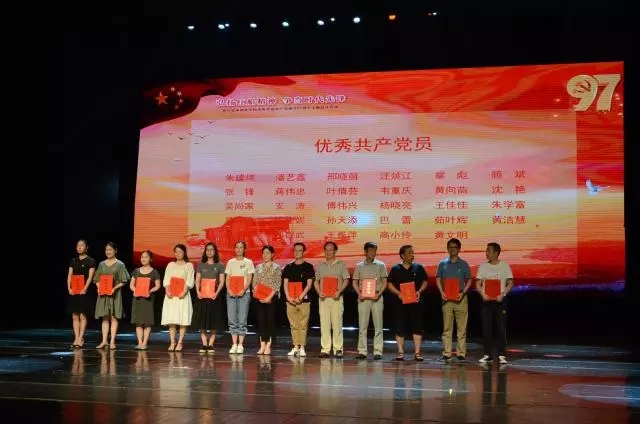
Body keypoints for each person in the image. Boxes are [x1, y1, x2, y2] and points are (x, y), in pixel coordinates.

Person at [386, 244, 428, 361]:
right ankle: (400, 352)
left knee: (417, 326)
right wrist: (398, 293)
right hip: (400, 303)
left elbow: (425, 281)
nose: (412, 255)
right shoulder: (396, 269)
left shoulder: (418, 267)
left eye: (413, 252)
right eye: (409, 253)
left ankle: (417, 352)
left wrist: (419, 291)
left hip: (416, 302)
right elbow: (389, 284)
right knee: (399, 326)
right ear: (402, 255)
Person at [476, 242, 514, 365]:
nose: (486, 253)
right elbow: (478, 284)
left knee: (501, 328)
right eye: (486, 250)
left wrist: (503, 295)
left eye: (489, 250)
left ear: (496, 253)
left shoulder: (505, 266)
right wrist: (483, 294)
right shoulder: (483, 267)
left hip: (500, 301)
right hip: (487, 301)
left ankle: (501, 355)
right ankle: (487, 354)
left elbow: (510, 283)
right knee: (486, 329)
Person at [436, 238, 472, 362]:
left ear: (459, 249)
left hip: (460, 298)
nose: (452, 249)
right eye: (450, 247)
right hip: (447, 298)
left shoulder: (464, 264)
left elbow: (469, 280)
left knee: (462, 328)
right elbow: (438, 279)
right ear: (447, 249)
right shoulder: (442, 264)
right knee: (447, 327)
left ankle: (461, 353)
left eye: (454, 247)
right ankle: (447, 353)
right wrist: (442, 292)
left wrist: (463, 293)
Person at [314, 241, 350, 358]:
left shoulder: (341, 264)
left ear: (335, 251)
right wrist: (319, 292)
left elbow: (346, 280)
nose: (328, 252)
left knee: (337, 324)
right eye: (326, 250)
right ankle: (325, 349)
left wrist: (339, 291)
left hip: (336, 298)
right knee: (324, 324)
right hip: (323, 298)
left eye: (331, 249)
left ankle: (338, 349)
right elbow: (316, 281)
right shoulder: (320, 265)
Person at [352, 242, 388, 360]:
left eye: (375, 250)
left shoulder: (381, 265)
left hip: (376, 297)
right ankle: (362, 351)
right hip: (363, 298)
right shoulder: (359, 266)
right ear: (365, 252)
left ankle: (378, 351)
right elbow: (354, 282)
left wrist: (379, 294)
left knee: (378, 325)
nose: (373, 253)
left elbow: (385, 282)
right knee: (362, 326)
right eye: (371, 250)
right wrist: (359, 294)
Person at [93, 242, 130, 349]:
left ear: (115, 251)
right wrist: (99, 287)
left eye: (110, 250)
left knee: (114, 317)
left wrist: (114, 288)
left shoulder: (120, 264)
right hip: (103, 294)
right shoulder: (101, 264)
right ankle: (104, 341)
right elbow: (96, 279)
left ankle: (112, 340)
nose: (108, 252)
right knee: (105, 317)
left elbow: (124, 280)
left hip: (115, 294)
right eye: (106, 250)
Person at [282, 242, 315, 357]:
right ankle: (295, 346)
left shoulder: (308, 266)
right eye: (295, 250)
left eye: (300, 250)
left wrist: (301, 296)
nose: (297, 252)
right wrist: (288, 297)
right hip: (290, 300)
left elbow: (309, 285)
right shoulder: (288, 267)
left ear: (303, 252)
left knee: (303, 325)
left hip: (304, 300)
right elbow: (285, 284)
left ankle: (302, 347)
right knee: (293, 325)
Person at [192, 242, 226, 354]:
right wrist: (198, 292)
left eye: (212, 250)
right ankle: (204, 344)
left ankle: (210, 344)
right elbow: (197, 280)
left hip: (214, 297)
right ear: (205, 252)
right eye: (207, 250)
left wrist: (216, 293)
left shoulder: (220, 265)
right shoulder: (201, 265)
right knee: (202, 321)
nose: (209, 252)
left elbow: (222, 282)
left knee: (213, 321)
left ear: (215, 251)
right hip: (202, 296)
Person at [161, 244, 195, 352]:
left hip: (182, 296)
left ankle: (180, 342)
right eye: (176, 251)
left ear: (184, 252)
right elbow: (166, 279)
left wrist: (184, 291)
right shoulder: (170, 265)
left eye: (180, 251)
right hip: (171, 296)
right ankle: (172, 342)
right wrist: (167, 290)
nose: (178, 254)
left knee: (182, 319)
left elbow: (189, 280)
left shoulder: (189, 265)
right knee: (172, 319)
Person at [225, 241, 255, 354]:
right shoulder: (230, 262)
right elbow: (228, 278)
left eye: (241, 247)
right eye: (237, 247)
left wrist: (243, 289)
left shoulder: (248, 262)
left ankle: (241, 344)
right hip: (231, 293)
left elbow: (249, 278)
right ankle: (234, 344)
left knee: (242, 319)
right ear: (234, 249)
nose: (238, 249)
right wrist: (229, 289)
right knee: (232, 319)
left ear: (244, 249)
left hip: (244, 293)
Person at [66, 239, 96, 349]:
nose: (79, 247)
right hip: (74, 291)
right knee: (75, 316)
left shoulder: (91, 261)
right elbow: (69, 275)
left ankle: (81, 338)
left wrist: (85, 288)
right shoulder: (73, 260)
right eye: (78, 245)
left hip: (84, 291)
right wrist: (69, 288)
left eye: (82, 245)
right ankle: (76, 338)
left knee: (83, 315)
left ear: (86, 247)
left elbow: (90, 277)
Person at [252, 245, 282, 355]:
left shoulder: (276, 267)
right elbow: (255, 283)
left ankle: (268, 345)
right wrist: (259, 295)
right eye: (264, 253)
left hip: (271, 298)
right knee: (261, 321)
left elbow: (277, 284)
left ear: (272, 254)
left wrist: (269, 297)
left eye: (267, 253)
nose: (265, 255)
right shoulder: (258, 267)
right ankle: (262, 345)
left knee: (269, 321)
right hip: (259, 298)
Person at [129, 250, 161, 350]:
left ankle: (144, 342)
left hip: (148, 299)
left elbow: (158, 286)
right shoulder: (136, 271)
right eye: (142, 257)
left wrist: (150, 291)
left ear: (150, 259)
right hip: (137, 299)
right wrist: (135, 290)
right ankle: (139, 343)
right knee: (138, 322)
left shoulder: (154, 272)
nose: (143, 259)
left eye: (146, 257)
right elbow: (131, 284)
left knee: (147, 322)